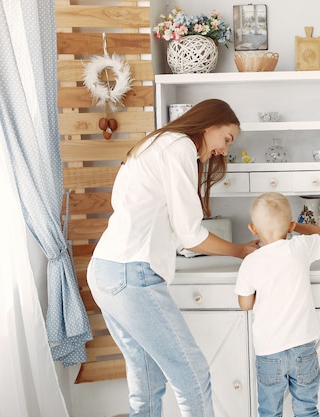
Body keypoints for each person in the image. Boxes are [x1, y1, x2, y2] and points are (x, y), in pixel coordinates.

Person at [87, 98, 259, 417]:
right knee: (192, 375)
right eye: (227, 139)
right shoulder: (179, 146)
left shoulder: (154, 143)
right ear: (209, 125)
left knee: (147, 378)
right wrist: (239, 250)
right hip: (131, 273)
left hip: (106, 269)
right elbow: (189, 234)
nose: (224, 149)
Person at [235, 192, 320, 417]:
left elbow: (245, 304)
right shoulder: (298, 247)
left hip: (269, 351)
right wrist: (296, 227)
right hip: (303, 348)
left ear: (253, 229)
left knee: (269, 412)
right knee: (307, 410)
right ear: (289, 225)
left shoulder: (251, 262)